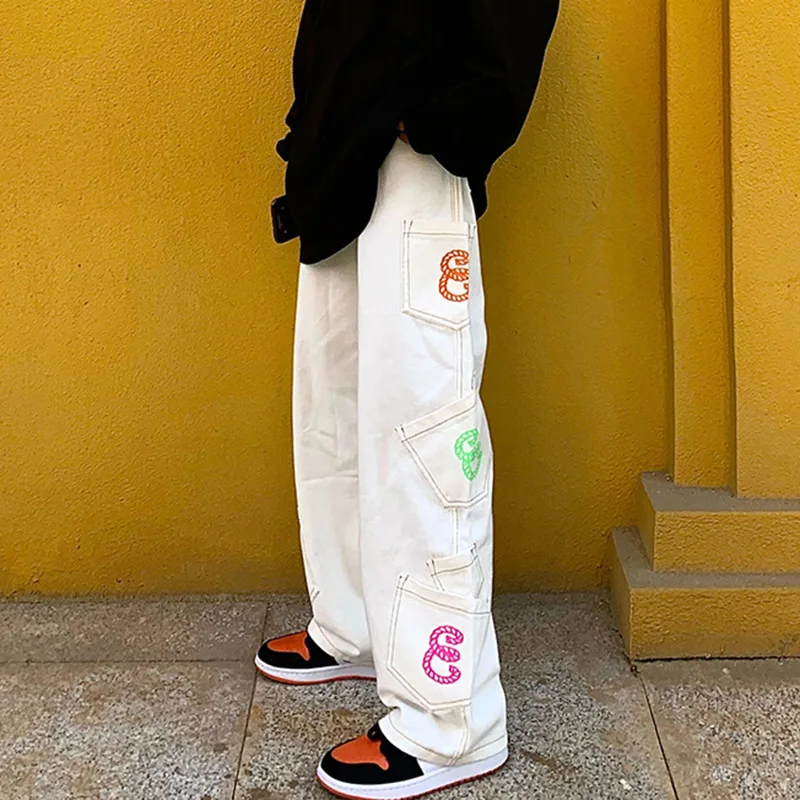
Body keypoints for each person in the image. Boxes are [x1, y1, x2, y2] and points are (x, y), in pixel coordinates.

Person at [256, 2, 559, 797]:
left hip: (414, 163)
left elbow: (508, 32)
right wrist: (320, 126)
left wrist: (423, 122)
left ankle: (449, 723)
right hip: (340, 168)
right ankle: (356, 624)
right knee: (336, 413)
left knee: (426, 439)